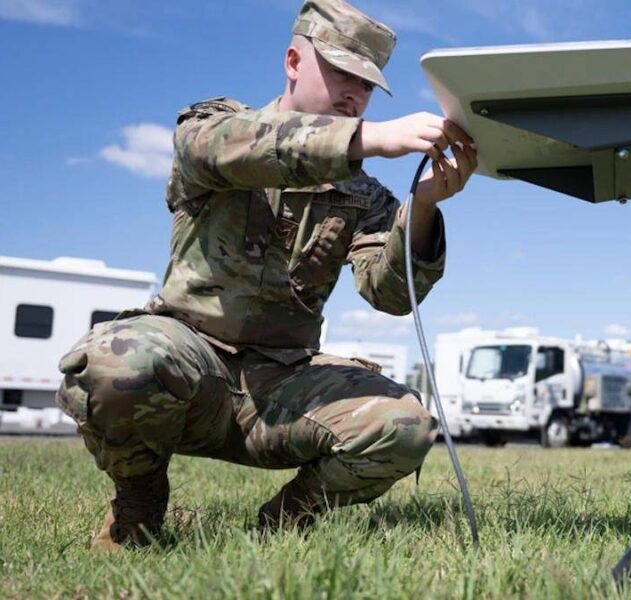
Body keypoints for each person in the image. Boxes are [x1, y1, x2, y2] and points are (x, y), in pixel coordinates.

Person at [56, 0, 477, 552]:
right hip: (189, 369)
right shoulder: (214, 129)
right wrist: (368, 138)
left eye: (366, 86)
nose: (354, 95)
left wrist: (421, 208)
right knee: (118, 360)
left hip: (281, 391)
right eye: (341, 74)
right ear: (293, 61)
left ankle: (285, 523)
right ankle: (138, 511)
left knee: (404, 425)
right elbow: (238, 149)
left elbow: (391, 296)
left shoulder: (364, 197)